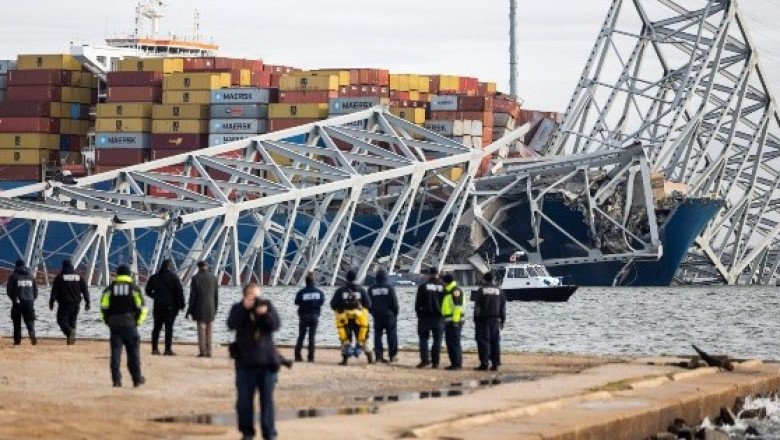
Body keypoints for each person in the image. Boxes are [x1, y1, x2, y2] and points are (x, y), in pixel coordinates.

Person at [227, 283, 281, 440]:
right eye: (253, 297)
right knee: (244, 401)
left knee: (267, 401)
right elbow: (231, 324)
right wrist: (245, 308)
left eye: (258, 296)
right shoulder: (238, 308)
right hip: (245, 363)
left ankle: (269, 433)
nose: (257, 300)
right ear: (245, 296)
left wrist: (264, 314)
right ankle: (247, 432)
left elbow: (275, 325)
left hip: (266, 363)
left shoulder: (267, 306)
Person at [100, 265, 147, 387]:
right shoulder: (134, 289)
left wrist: (107, 320)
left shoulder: (109, 289)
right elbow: (141, 308)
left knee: (115, 353)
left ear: (117, 274)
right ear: (129, 275)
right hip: (130, 324)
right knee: (133, 354)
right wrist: (138, 322)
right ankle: (136, 379)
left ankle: (116, 380)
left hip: (114, 325)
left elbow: (104, 307)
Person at [330, 270, 372, 365]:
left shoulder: (340, 290)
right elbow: (369, 304)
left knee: (345, 338)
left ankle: (345, 360)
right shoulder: (361, 290)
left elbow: (333, 304)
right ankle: (370, 358)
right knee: (364, 337)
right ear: (356, 278)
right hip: (359, 318)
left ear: (346, 278)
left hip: (344, 319)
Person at [145, 259, 185, 355]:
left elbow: (147, 291)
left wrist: (155, 297)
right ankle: (167, 350)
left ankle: (154, 349)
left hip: (158, 306)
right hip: (170, 306)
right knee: (169, 328)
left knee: (156, 328)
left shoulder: (154, 277)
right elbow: (179, 292)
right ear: (169, 266)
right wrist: (181, 305)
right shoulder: (174, 277)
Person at [49, 259, 90, 345]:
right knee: (72, 321)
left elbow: (54, 291)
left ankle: (69, 333)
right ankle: (70, 340)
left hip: (64, 304)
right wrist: (87, 302)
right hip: (76, 304)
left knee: (61, 320)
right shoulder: (79, 277)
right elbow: (85, 291)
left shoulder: (59, 278)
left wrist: (51, 302)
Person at [473, 272, 507, 371]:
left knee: (484, 341)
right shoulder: (499, 291)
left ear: (484, 279)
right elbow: (503, 307)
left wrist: (475, 319)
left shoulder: (482, 290)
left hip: (483, 320)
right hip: (496, 320)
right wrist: (503, 320)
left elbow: (477, 307)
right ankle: (495, 364)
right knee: (495, 341)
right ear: (494, 279)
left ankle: (484, 363)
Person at [187, 261, 219, 357]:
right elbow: (216, 295)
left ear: (198, 267)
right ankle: (209, 352)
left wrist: (189, 310)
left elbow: (193, 296)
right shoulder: (214, 278)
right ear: (207, 267)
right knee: (209, 330)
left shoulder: (195, 278)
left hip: (199, 308)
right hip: (211, 308)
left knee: (201, 330)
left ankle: (202, 352)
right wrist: (215, 308)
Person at [415, 267, 444, 368]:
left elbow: (418, 304)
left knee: (423, 339)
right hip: (439, 317)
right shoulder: (443, 286)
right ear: (438, 273)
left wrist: (419, 315)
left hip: (425, 317)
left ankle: (425, 360)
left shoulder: (423, 286)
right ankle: (435, 362)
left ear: (428, 274)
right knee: (437, 340)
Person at [367, 270, 399, 363]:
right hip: (389, 315)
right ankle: (392, 356)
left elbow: (368, 303)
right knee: (392, 336)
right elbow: (394, 302)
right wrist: (395, 313)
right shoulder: (389, 288)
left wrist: (372, 312)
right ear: (385, 277)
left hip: (377, 315)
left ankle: (378, 356)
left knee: (377, 335)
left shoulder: (371, 288)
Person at [293, 272, 325, 362]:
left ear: (305, 281)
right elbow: (322, 302)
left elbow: (296, 302)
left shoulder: (301, 292)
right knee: (312, 337)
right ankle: (311, 357)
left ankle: (297, 356)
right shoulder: (319, 292)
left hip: (303, 316)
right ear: (313, 281)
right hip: (314, 316)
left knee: (301, 336)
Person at [7, 259, 38, 345]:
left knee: (17, 322)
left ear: (16, 266)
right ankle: (32, 334)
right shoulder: (31, 276)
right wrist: (32, 299)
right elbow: (35, 290)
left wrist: (14, 299)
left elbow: (9, 291)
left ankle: (17, 341)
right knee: (30, 320)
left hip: (17, 302)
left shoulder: (13, 276)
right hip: (29, 302)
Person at [441, 273, 465, 370]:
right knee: (450, 342)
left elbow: (457, 307)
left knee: (454, 342)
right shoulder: (448, 290)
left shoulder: (455, 291)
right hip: (449, 320)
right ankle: (454, 363)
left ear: (446, 282)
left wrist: (455, 321)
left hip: (454, 321)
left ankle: (457, 364)